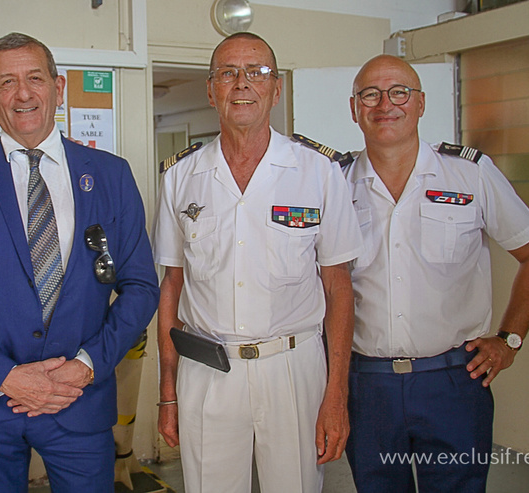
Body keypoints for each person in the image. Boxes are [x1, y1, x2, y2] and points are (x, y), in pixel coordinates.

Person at [0, 32, 159, 492]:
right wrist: (5, 377)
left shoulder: (111, 175)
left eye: (35, 79)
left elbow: (140, 287)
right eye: (7, 82)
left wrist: (87, 365)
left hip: (80, 399)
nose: (23, 94)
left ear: (59, 87)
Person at [152, 32, 363, 493]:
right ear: (212, 91)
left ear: (276, 89)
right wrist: (168, 391)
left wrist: (336, 393)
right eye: (228, 73)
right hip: (207, 370)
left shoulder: (318, 171)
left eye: (257, 72)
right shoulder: (181, 176)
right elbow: (172, 285)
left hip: (293, 368)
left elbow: (338, 286)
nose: (242, 83)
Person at [344, 54, 529, 492]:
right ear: (354, 108)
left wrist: (509, 339)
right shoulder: (334, 182)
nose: (385, 104)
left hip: (453, 383)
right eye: (370, 94)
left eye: (399, 92)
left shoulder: (469, 174)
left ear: (421, 103)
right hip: (366, 386)